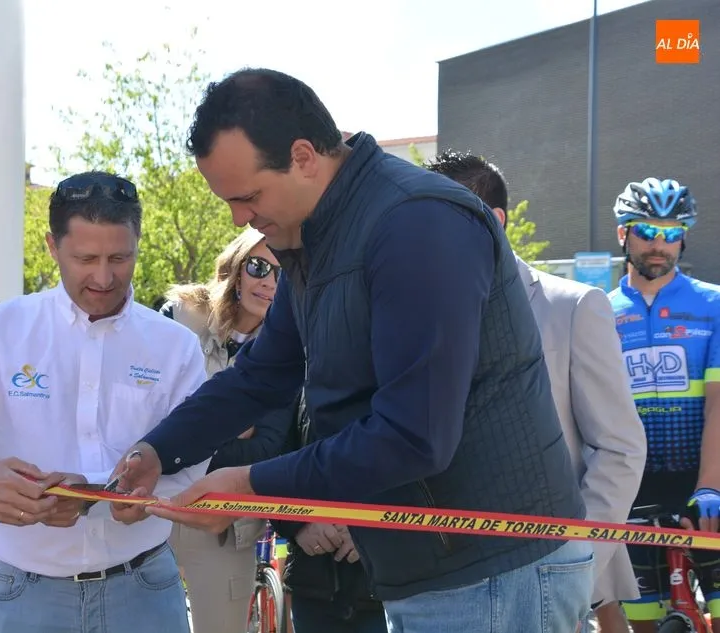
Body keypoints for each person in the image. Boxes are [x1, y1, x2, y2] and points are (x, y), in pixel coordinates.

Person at [106, 68, 593, 633]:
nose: (240, 219)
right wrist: (158, 450)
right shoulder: (313, 239)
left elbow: (416, 435)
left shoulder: (418, 223)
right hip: (438, 567)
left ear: (304, 157)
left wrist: (249, 486)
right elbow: (259, 377)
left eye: (249, 196)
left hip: (496, 570)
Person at [0, 171, 210, 633]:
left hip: (143, 587)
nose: (104, 277)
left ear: (138, 244)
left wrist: (117, 495)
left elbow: (192, 462)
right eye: (85, 259)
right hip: (29, 594)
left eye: (120, 258)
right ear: (51, 246)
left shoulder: (174, 345)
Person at [426, 151, 647, 633]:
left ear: (494, 221)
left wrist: (577, 561)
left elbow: (620, 448)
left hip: (551, 583)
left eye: (436, 220)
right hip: (441, 582)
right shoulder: (416, 311)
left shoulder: (572, 307)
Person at [160, 226, 294, 633]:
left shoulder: (291, 349)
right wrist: (229, 431)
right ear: (236, 269)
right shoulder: (181, 318)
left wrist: (182, 438)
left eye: (282, 272)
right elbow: (144, 416)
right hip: (152, 509)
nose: (268, 282)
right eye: (258, 267)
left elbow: (265, 448)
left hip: (225, 525)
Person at [607, 177, 720, 633]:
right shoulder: (598, 311)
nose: (659, 244)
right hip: (633, 492)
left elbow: (718, 403)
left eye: (672, 233)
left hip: (704, 488)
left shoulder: (713, 304)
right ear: (623, 234)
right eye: (647, 231)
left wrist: (710, 486)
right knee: (646, 626)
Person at [275, 389, 387, 633]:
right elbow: (274, 467)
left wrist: (372, 531)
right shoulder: (298, 387)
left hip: (385, 587)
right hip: (313, 587)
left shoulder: (400, 383)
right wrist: (297, 524)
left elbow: (427, 471)